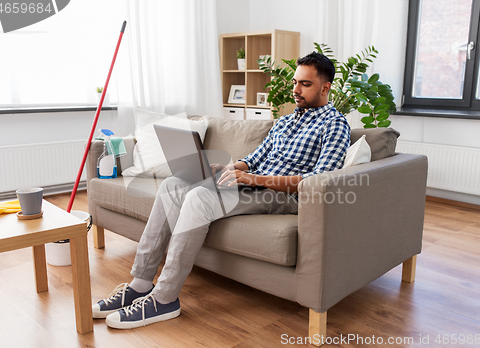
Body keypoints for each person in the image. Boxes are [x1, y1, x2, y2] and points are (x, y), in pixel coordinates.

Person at [92, 51, 351, 329]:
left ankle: (165, 298)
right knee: (172, 185)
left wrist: (253, 180)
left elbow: (316, 181)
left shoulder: (334, 124)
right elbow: (255, 157)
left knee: (200, 198)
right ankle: (140, 283)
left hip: (282, 194)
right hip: (253, 183)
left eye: (306, 84)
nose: (296, 90)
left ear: (325, 88)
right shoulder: (285, 122)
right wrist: (230, 168)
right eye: (295, 82)